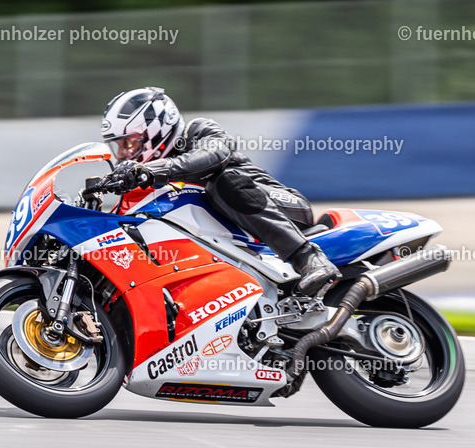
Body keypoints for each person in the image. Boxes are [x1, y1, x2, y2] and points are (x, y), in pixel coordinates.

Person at [100, 86, 340, 296]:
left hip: (285, 207)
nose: (121, 154)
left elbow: (215, 154)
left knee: (225, 182)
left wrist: (155, 169)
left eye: (129, 143)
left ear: (157, 129)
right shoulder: (148, 181)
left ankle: (308, 258)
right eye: (118, 146)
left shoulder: (197, 131)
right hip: (234, 238)